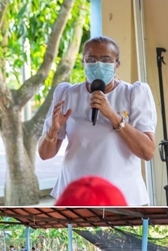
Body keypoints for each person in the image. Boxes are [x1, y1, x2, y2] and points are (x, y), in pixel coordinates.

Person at [38, 36, 158, 206]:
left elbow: (148, 152)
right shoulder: (67, 94)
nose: (98, 65)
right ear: (83, 63)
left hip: (121, 195)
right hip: (75, 193)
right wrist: (53, 130)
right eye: (91, 59)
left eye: (106, 60)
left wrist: (113, 116)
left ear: (117, 64)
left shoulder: (134, 94)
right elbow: (44, 154)